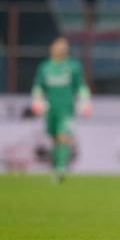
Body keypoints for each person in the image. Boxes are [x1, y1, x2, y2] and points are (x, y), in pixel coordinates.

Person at [31, 37, 92, 182]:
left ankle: (61, 168)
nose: (61, 49)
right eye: (58, 46)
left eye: (64, 47)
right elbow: (38, 86)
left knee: (64, 136)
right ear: (52, 48)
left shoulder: (73, 66)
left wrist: (85, 101)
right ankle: (56, 166)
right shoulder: (45, 67)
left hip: (67, 108)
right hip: (50, 108)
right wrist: (37, 100)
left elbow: (81, 85)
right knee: (55, 138)